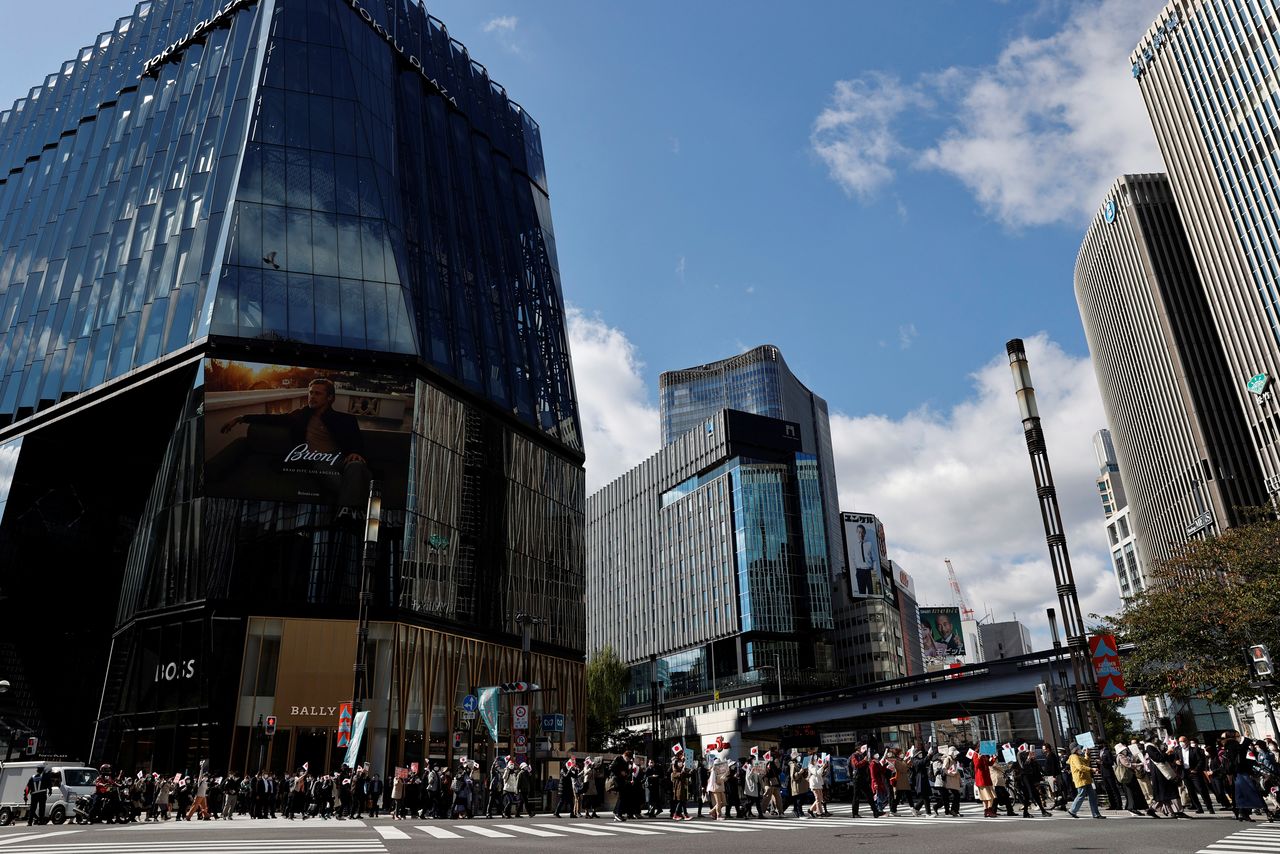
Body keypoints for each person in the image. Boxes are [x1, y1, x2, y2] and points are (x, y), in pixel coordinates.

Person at [212, 377, 371, 506]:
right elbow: (273, 419)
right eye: (310, 393)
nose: (312, 397)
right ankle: (354, 510)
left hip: (339, 458)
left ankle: (349, 508)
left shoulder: (345, 419)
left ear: (330, 398)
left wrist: (356, 453)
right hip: (317, 461)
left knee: (356, 466)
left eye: (317, 394)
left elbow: (356, 441)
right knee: (324, 469)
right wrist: (242, 418)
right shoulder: (301, 415)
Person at [1066, 746, 1105, 819]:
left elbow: (1086, 763)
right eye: (1079, 748)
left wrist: (1087, 754)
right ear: (1075, 749)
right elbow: (1080, 767)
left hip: (1086, 779)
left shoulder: (1078, 756)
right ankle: (1072, 810)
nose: (1080, 750)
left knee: (1092, 796)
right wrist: (1091, 769)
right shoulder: (1074, 757)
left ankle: (1096, 814)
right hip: (1081, 779)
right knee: (1081, 795)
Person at [609, 751, 633, 822]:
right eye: (628, 758)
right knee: (622, 796)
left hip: (622, 780)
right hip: (617, 779)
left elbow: (626, 772)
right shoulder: (618, 758)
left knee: (623, 796)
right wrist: (620, 772)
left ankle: (618, 813)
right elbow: (611, 768)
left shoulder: (626, 762)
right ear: (625, 756)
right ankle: (618, 814)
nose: (628, 760)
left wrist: (628, 771)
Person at [670, 752, 691, 820]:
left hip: (683, 787)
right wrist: (684, 768)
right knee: (680, 801)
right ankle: (676, 814)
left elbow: (686, 775)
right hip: (678, 788)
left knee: (683, 801)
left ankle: (685, 814)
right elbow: (680, 775)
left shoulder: (681, 769)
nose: (680, 763)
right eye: (679, 762)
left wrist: (690, 770)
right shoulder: (674, 772)